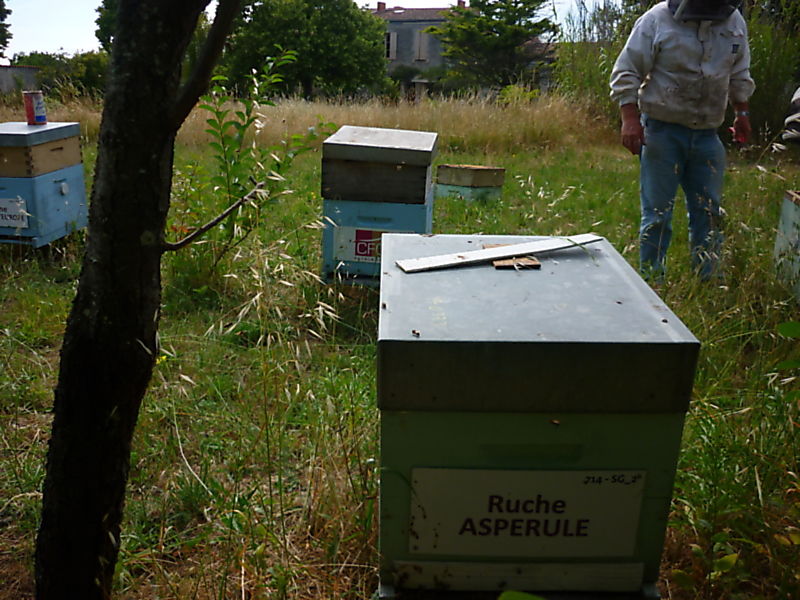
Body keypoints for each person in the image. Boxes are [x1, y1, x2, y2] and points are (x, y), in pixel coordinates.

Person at [609, 0, 755, 281]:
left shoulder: (733, 20)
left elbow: (739, 73)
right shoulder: (657, 19)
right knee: (658, 215)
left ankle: (709, 282)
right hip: (662, 133)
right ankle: (653, 283)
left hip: (708, 135)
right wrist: (629, 119)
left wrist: (742, 113)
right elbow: (627, 70)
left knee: (709, 213)